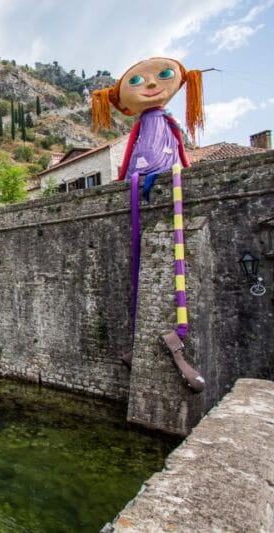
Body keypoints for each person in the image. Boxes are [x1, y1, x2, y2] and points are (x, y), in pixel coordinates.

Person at [91, 57, 205, 393]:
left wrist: (174, 167)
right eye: (140, 83)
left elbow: (176, 149)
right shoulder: (152, 124)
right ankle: (167, 337)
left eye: (163, 76)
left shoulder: (164, 121)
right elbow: (130, 157)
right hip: (149, 177)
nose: (153, 86)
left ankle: (168, 337)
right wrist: (130, 177)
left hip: (163, 177)